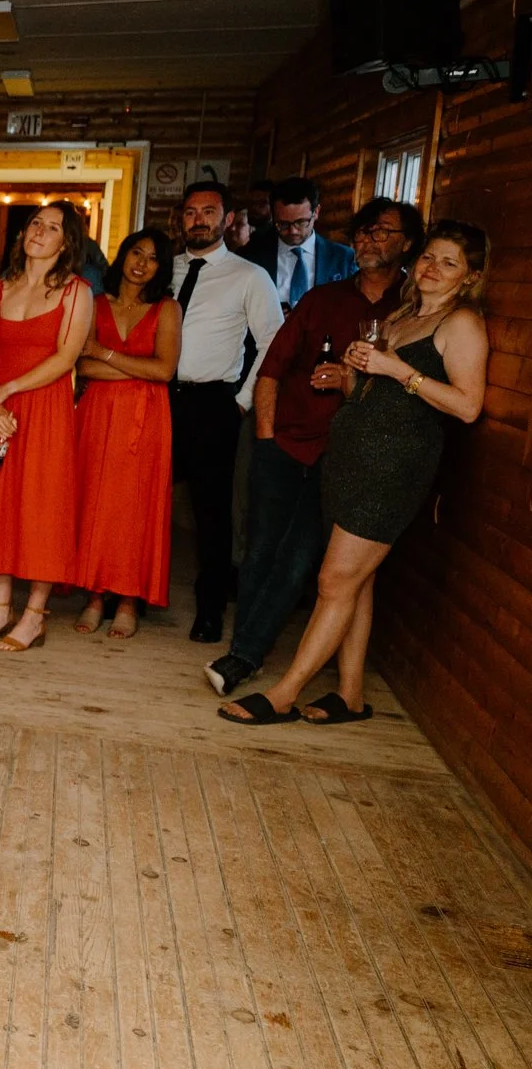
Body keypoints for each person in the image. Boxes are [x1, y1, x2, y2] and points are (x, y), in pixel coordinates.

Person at [222, 220, 489, 726]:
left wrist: (398, 371)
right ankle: (350, 695)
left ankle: (284, 693)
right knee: (357, 583)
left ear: (470, 276)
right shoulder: (404, 314)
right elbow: (369, 395)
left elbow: (468, 406)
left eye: (449, 262)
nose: (433, 268)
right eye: (430, 257)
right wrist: (350, 375)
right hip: (352, 459)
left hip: (394, 468)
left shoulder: (462, 324)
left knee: (333, 581)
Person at [205, 198, 422, 695]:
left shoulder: (410, 313)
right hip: (286, 442)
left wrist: (350, 380)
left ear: (408, 243)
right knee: (260, 550)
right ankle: (244, 652)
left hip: (348, 456)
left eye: (382, 232)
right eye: (363, 233)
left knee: (301, 557)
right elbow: (271, 370)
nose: (368, 241)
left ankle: (243, 657)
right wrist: (264, 441)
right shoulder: (322, 300)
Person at [0, 203, 95, 651]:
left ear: (66, 241)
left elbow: (66, 358)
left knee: (40, 506)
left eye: (53, 227)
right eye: (36, 223)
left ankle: (35, 614)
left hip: (45, 409)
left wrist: (8, 390)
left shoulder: (77, 293)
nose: (40, 230)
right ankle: (1, 609)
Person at [167, 180, 284, 643]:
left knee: (210, 513)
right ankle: (122, 596)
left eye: (209, 212)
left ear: (228, 219)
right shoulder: (165, 270)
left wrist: (242, 399)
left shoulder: (248, 275)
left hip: (212, 402)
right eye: (191, 212)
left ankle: (210, 610)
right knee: (142, 498)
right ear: (181, 217)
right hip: (156, 397)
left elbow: (274, 341)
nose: (199, 219)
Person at [73, 229, 182, 638]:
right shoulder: (94, 303)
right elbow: (82, 368)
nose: (142, 263)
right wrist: (134, 365)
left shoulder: (167, 309)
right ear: (123, 255)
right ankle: (95, 595)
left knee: (135, 507)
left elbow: (164, 371)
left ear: (161, 268)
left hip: (147, 418)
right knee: (96, 501)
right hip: (97, 414)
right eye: (137, 253)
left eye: (153, 259)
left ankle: (129, 600)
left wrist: (105, 354)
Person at [243, 176, 358, 308]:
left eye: (301, 222)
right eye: (283, 224)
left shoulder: (343, 259)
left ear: (316, 212)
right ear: (273, 215)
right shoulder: (252, 256)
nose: (293, 231)